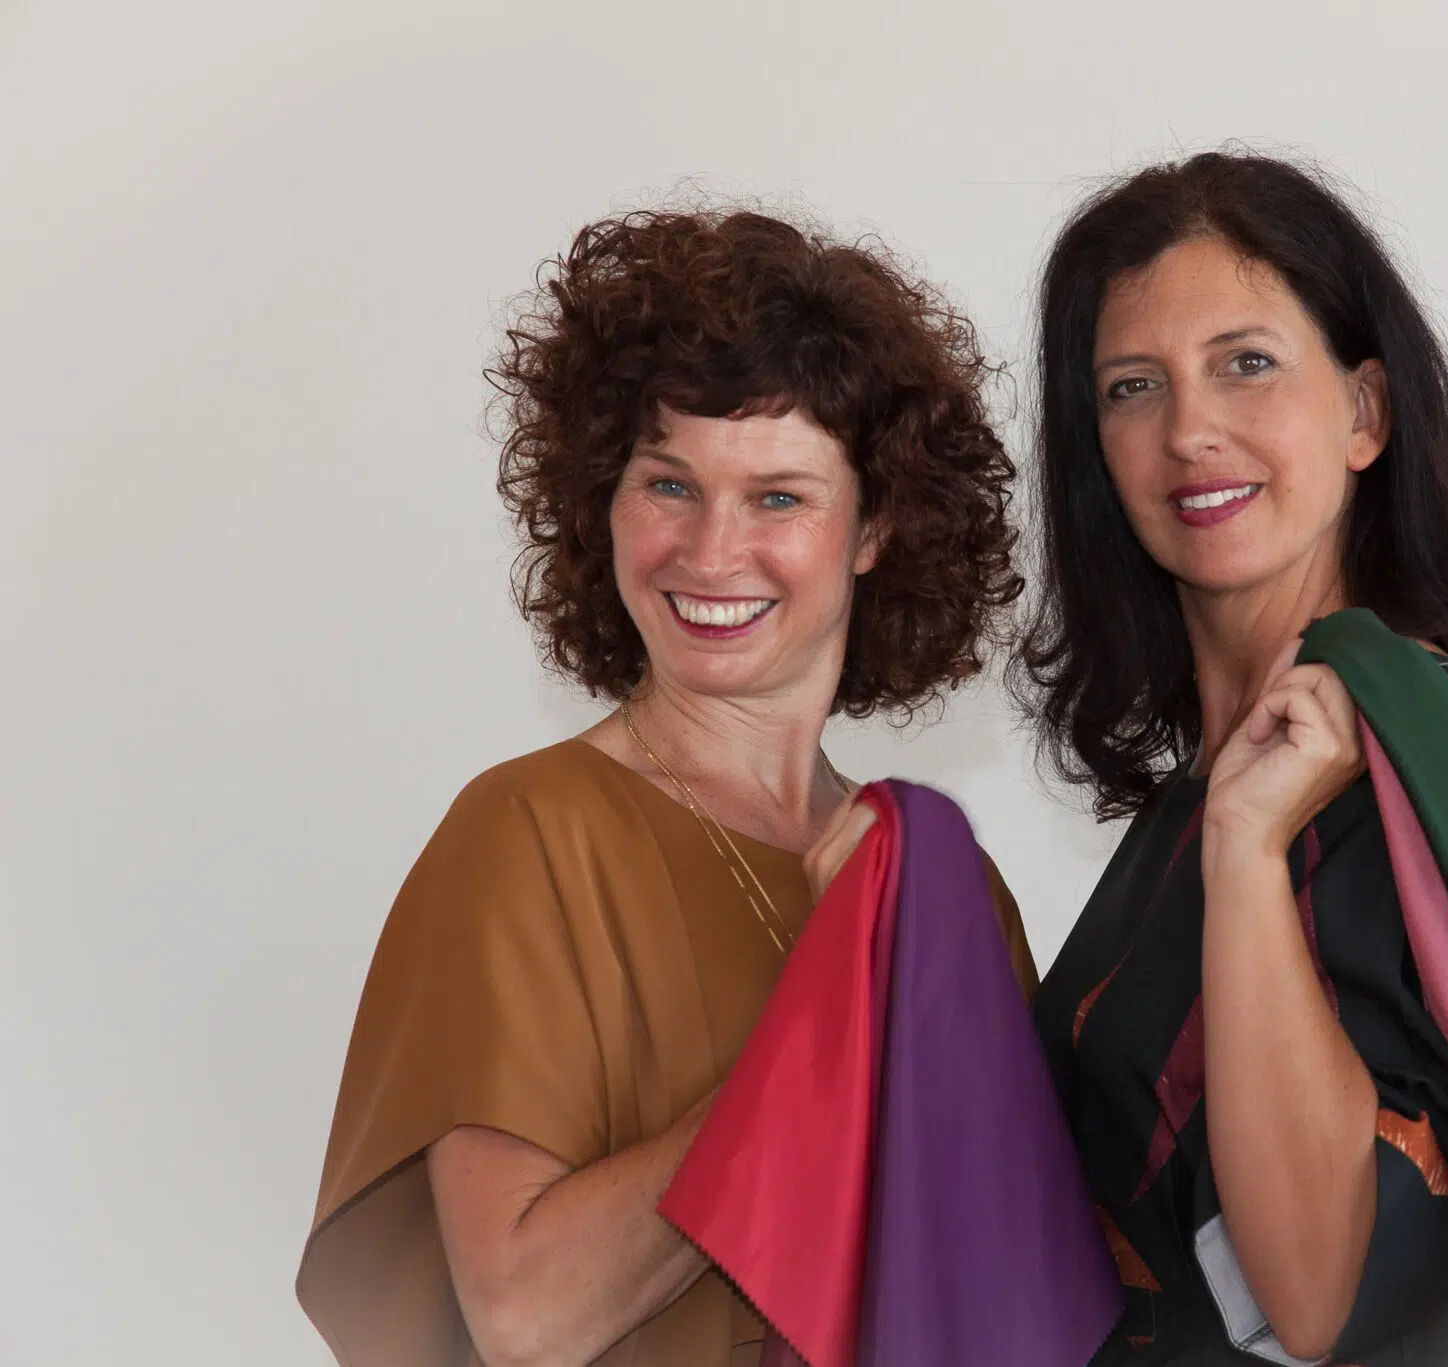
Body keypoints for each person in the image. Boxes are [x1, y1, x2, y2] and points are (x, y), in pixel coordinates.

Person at [1018, 151, 1448, 1366]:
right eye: (1132, 387)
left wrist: (1249, 851)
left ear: (1364, 414)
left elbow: (1315, 1295)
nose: (1189, 430)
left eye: (1246, 362)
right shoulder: (1210, 787)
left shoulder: (1396, 766)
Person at [297, 205, 1034, 1367]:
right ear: (602, 495)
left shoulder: (945, 885)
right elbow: (527, 1317)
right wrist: (825, 1018)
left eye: (779, 496)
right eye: (669, 484)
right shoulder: (530, 833)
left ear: (874, 527)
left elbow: (1003, 1287)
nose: (710, 551)